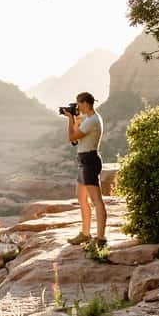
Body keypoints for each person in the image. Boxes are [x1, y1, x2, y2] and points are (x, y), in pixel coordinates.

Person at [64, 92, 106, 248]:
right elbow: (76, 141)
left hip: (89, 160)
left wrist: (70, 119)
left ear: (86, 103)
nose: (77, 107)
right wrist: (76, 121)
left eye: (78, 103)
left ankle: (100, 238)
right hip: (83, 160)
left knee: (97, 201)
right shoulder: (88, 119)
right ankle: (85, 234)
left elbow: (71, 137)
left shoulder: (92, 120)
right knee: (81, 198)